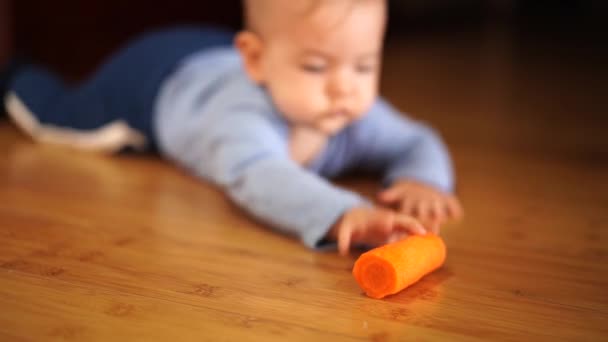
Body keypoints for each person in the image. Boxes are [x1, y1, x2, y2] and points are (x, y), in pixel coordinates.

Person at [2, 0, 463, 255]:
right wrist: (346, 213)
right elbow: (260, 176)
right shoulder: (241, 120)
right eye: (318, 67)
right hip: (149, 81)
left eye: (365, 66)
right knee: (55, 118)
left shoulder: (354, 110)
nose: (345, 88)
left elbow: (417, 138)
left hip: (216, 53)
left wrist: (421, 178)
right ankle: (15, 75)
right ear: (256, 60)